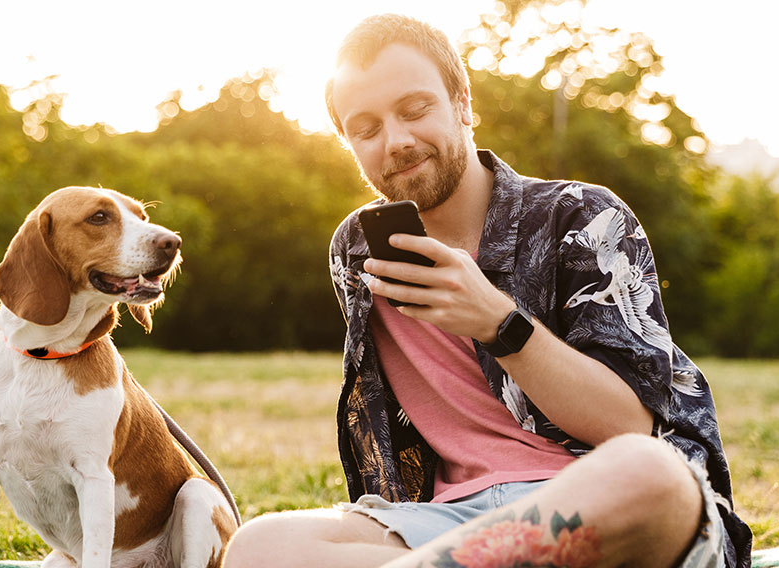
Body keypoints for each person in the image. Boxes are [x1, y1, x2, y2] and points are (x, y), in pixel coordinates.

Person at [223, 13, 752, 568]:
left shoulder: (580, 216)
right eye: (367, 128)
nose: (396, 141)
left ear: (463, 103)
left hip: (590, 504)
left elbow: (631, 425)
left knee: (653, 474)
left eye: (414, 109)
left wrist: (499, 322)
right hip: (446, 523)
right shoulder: (355, 249)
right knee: (261, 547)